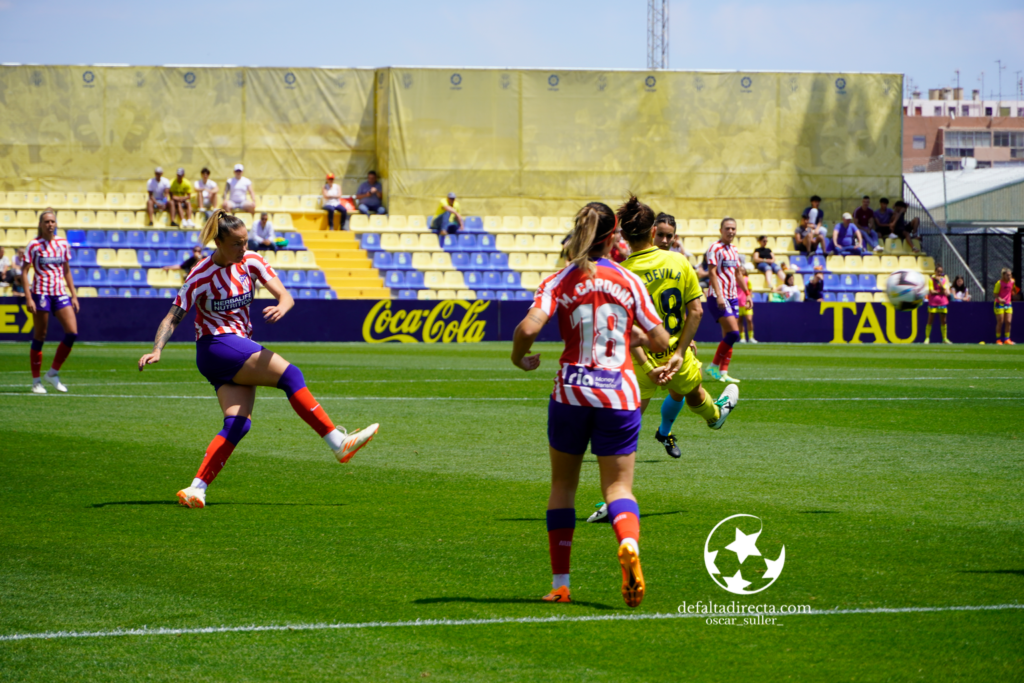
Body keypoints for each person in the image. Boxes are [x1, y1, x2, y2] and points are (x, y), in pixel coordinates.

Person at [137, 210, 379, 509]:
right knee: (291, 376)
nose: (243, 247)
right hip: (216, 346)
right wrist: (157, 348)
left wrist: (282, 306)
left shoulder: (250, 261)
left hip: (235, 348)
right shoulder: (200, 274)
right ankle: (336, 442)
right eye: (237, 243)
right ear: (219, 242)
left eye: (245, 240)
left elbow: (286, 296)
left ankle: (196, 488)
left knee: (238, 424)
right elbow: (174, 316)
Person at [510, 200, 670, 608]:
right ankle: (628, 543)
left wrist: (519, 357)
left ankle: (561, 584)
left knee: (563, 486)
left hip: (571, 393)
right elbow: (660, 340)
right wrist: (637, 343)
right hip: (618, 395)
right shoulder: (629, 280)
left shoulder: (560, 279)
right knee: (618, 486)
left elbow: (528, 327)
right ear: (614, 236)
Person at [22, 210, 79, 394]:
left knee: (72, 333)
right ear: (40, 224)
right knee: (40, 335)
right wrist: (29, 297)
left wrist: (74, 295)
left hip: (59, 292)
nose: (50, 224)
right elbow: (24, 271)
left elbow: (66, 270)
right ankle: (36, 381)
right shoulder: (34, 245)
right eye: (46, 221)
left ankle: (52, 373)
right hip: (40, 293)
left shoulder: (62, 243)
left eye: (53, 221)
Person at [705, 218, 743, 383]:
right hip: (718, 296)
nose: (731, 231)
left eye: (733, 228)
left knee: (729, 335)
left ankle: (723, 372)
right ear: (721, 230)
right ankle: (713, 365)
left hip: (733, 297)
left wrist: (747, 294)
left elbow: (738, 273)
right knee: (734, 333)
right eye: (727, 228)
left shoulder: (734, 249)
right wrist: (719, 295)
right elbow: (712, 273)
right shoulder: (714, 248)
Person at [924, 265, 951, 344]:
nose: (939, 273)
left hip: (942, 302)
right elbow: (931, 291)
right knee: (930, 320)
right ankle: (927, 338)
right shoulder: (931, 279)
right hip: (933, 302)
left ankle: (944, 339)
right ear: (935, 271)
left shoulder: (944, 280)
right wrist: (940, 292)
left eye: (940, 272)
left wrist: (940, 283)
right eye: (938, 271)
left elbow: (944, 290)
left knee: (943, 321)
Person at [993, 268, 1015, 345]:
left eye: (1010, 275)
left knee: (1008, 322)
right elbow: (995, 294)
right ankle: (998, 339)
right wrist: (1000, 299)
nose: (1009, 276)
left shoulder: (1012, 282)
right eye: (1007, 275)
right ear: (1003, 275)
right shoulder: (999, 283)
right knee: (1000, 321)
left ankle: (1007, 339)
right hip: (999, 304)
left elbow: (1013, 290)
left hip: (1008, 304)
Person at [736, 266, 756, 343]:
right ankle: (742, 338)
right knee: (739, 321)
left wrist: (749, 301)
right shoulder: (735, 280)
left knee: (749, 320)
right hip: (737, 303)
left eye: (743, 270)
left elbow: (750, 291)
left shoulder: (747, 280)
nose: (741, 271)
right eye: (740, 270)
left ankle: (751, 337)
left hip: (745, 303)